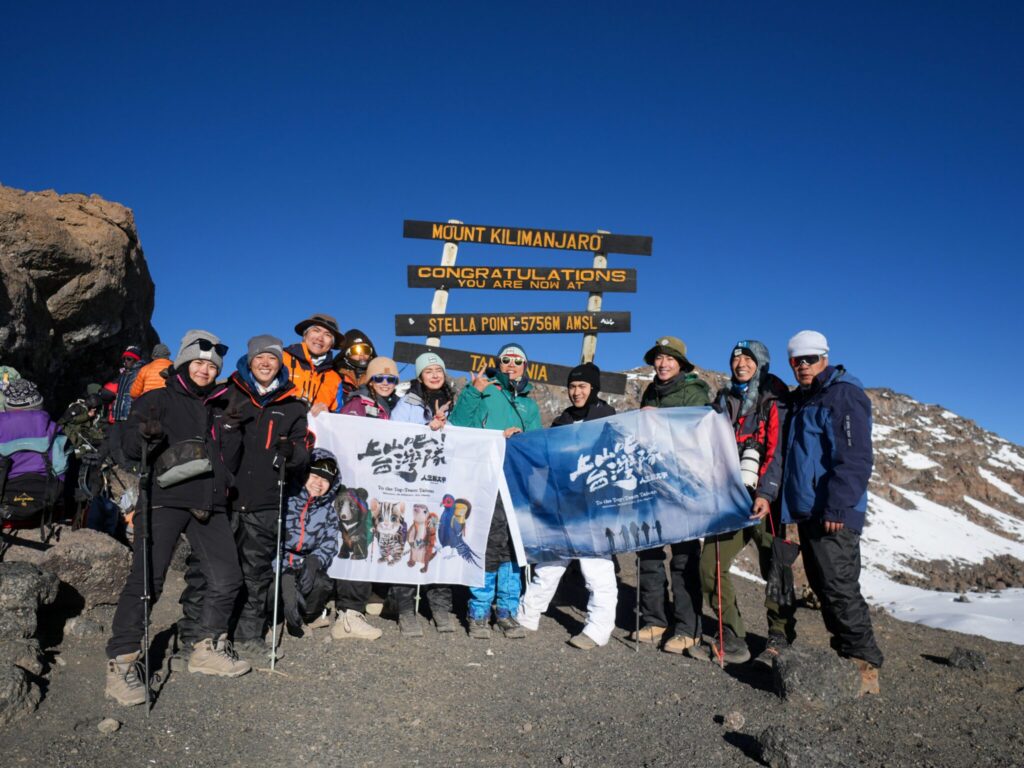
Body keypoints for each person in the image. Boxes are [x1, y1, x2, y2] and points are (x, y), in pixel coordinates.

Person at [104, 330, 249, 707]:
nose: (205, 369)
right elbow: (129, 449)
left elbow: (229, 460)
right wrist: (145, 438)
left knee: (227, 577)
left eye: (211, 365)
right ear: (184, 362)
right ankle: (121, 663)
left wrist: (231, 433)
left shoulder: (223, 405)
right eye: (198, 362)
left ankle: (206, 648)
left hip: (210, 501)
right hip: (165, 499)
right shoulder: (159, 397)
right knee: (146, 581)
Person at [779, 330, 882, 695]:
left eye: (809, 359)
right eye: (796, 360)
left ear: (824, 357)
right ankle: (845, 661)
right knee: (824, 587)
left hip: (834, 512)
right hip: (811, 511)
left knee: (839, 587)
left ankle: (864, 667)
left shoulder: (843, 394)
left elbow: (854, 458)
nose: (803, 366)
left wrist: (838, 504)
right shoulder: (806, 398)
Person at [699, 340, 793, 665]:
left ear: (762, 363)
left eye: (748, 358)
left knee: (775, 568)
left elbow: (777, 449)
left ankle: (780, 638)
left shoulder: (773, 397)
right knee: (711, 565)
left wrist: (766, 494)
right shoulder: (724, 400)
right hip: (730, 499)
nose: (741, 363)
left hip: (766, 500)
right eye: (736, 358)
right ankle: (732, 636)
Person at [518, 362, 618, 649]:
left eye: (582, 387)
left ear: (593, 388)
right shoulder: (561, 421)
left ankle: (598, 629)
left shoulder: (607, 420)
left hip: (595, 507)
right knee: (549, 562)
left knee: (596, 569)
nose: (576, 392)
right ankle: (527, 616)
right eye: (572, 387)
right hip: (562, 505)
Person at [449, 342, 542, 640]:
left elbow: (537, 445)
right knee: (486, 546)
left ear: (525, 366)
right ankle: (478, 611)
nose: (511, 364)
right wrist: (474, 391)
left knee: (513, 549)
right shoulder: (485, 390)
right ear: (498, 364)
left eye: (518, 360)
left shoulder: (530, 404)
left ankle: (506, 611)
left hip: (516, 483)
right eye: (506, 360)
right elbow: (460, 426)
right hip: (486, 481)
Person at [224, 335, 310, 655]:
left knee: (256, 573)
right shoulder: (229, 393)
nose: (265, 363)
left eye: (272, 359)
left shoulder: (291, 405)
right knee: (217, 570)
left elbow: (303, 453)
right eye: (260, 357)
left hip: (265, 502)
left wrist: (293, 453)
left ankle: (248, 634)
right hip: (227, 498)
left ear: (280, 364)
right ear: (249, 360)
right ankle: (214, 632)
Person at [632, 336, 710, 655]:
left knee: (683, 556)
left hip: (681, 482)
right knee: (648, 552)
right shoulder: (651, 391)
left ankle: (688, 627)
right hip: (651, 482)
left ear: (680, 363)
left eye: (669, 358)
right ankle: (655, 619)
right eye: (658, 358)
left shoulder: (695, 392)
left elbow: (695, 431)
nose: (662, 364)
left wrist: (657, 419)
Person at [278, 449, 382, 640]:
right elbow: (268, 542)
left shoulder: (328, 508)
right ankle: (274, 619)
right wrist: (284, 572)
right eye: (315, 475)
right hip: (280, 568)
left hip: (305, 565)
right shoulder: (285, 498)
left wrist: (315, 561)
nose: (319, 483)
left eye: (325, 480)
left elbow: (328, 541)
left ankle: (306, 616)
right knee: (271, 591)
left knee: (320, 584)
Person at [389, 352, 457, 634]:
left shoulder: (454, 402)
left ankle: (440, 607)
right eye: (428, 370)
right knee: (408, 540)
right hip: (410, 482)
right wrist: (427, 428)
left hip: (441, 482)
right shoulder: (406, 403)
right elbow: (393, 437)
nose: (434, 374)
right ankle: (406, 609)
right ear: (419, 376)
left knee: (438, 539)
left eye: (438, 369)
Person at [282, 313, 345, 415]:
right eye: (316, 330)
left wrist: (327, 413)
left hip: (313, 430)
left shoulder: (335, 379)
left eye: (327, 335)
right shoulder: (280, 359)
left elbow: (338, 415)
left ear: (332, 344)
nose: (320, 338)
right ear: (305, 335)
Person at [333, 328, 377, 405]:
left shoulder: (379, 378)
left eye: (366, 350)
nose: (362, 355)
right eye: (356, 350)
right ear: (346, 354)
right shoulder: (335, 376)